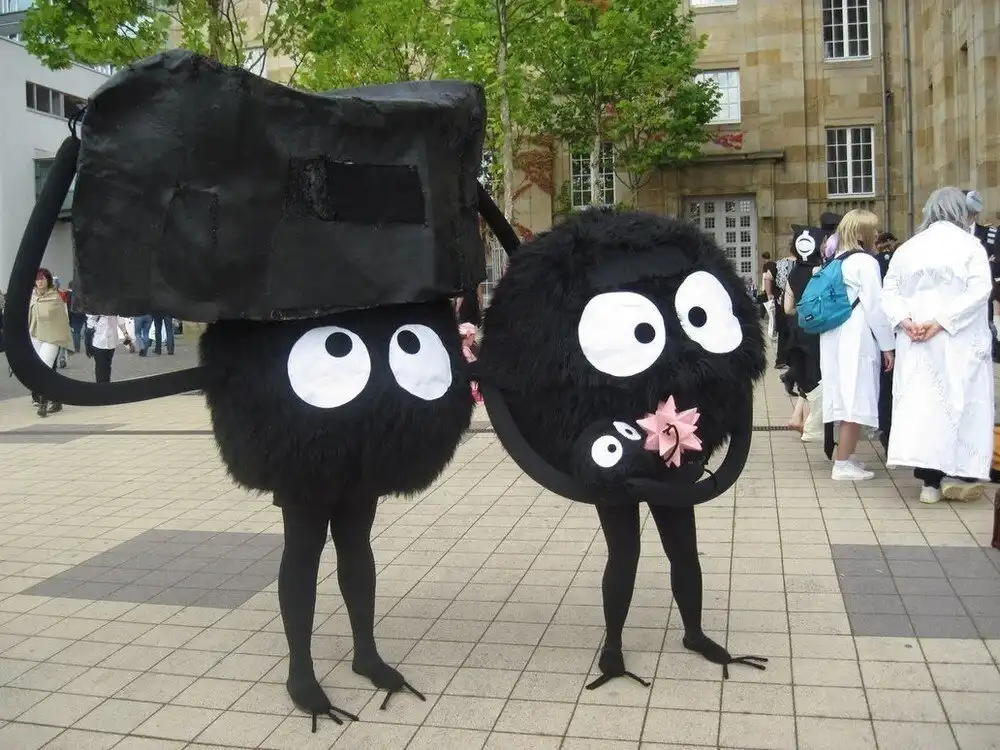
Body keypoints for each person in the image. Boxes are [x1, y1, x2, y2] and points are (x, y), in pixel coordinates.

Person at [882, 187, 994, 504]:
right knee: (962, 403)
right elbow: (979, 291)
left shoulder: (908, 249)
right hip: (958, 339)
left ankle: (929, 481)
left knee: (925, 406)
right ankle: (959, 472)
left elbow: (889, 290)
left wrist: (905, 321)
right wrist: (943, 320)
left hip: (916, 340)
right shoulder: (970, 246)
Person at [820, 210, 895, 481]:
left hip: (834, 335)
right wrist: (887, 345)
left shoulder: (836, 259)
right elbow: (876, 307)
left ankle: (847, 456)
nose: (876, 234)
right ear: (862, 233)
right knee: (855, 397)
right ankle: (842, 464)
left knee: (844, 396)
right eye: (873, 230)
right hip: (856, 337)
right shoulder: (865, 262)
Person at [782, 227, 823, 435]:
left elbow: (787, 308)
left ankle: (799, 418)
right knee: (816, 376)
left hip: (796, 330)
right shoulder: (820, 270)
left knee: (805, 374)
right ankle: (809, 425)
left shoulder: (793, 273)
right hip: (815, 330)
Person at [28, 269, 73, 416]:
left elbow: (62, 319)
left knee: (44, 367)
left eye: (43, 278)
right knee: (42, 369)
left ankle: (43, 403)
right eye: (37, 279)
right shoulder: (32, 297)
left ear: (48, 280)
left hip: (52, 337)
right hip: (35, 336)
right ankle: (57, 399)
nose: (40, 281)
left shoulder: (55, 297)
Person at [86, 314, 128, 383]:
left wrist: (125, 333)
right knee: (100, 366)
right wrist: (99, 311)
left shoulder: (115, 307)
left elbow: (120, 319)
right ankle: (101, 386)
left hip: (112, 340)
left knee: (108, 366)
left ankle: (107, 385)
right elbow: (90, 317)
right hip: (98, 340)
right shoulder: (95, 307)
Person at [761, 252, 778, 339]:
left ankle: (772, 331)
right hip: (775, 288)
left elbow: (765, 277)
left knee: (770, 310)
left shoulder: (765, 265)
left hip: (768, 289)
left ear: (764, 258)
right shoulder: (774, 264)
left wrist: (764, 289)